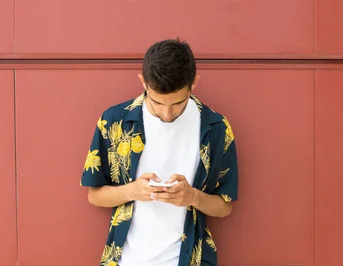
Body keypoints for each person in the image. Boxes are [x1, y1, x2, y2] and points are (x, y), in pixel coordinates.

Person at [80, 38, 238, 266]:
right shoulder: (114, 121)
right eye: (157, 103)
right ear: (142, 82)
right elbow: (94, 195)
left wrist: (192, 196)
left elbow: (224, 206)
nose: (167, 114)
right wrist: (133, 190)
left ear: (194, 83)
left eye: (177, 104)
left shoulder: (216, 128)